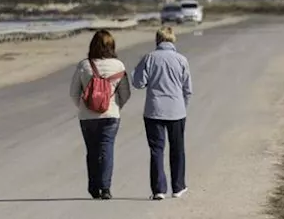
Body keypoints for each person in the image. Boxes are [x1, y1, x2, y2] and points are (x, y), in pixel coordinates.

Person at [69, 29, 131, 200]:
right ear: (111, 46)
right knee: (106, 149)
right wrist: (116, 106)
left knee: (92, 151)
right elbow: (125, 93)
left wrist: (84, 106)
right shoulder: (118, 66)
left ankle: (93, 187)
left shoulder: (84, 65)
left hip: (87, 117)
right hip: (110, 115)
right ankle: (105, 188)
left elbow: (74, 92)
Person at [133, 25, 192, 201]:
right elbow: (187, 89)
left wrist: (136, 72)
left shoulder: (149, 58)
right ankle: (178, 187)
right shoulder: (182, 60)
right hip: (176, 110)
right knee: (177, 149)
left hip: (154, 110)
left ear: (158, 39)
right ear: (173, 39)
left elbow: (138, 83)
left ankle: (159, 189)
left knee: (156, 150)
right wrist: (183, 106)